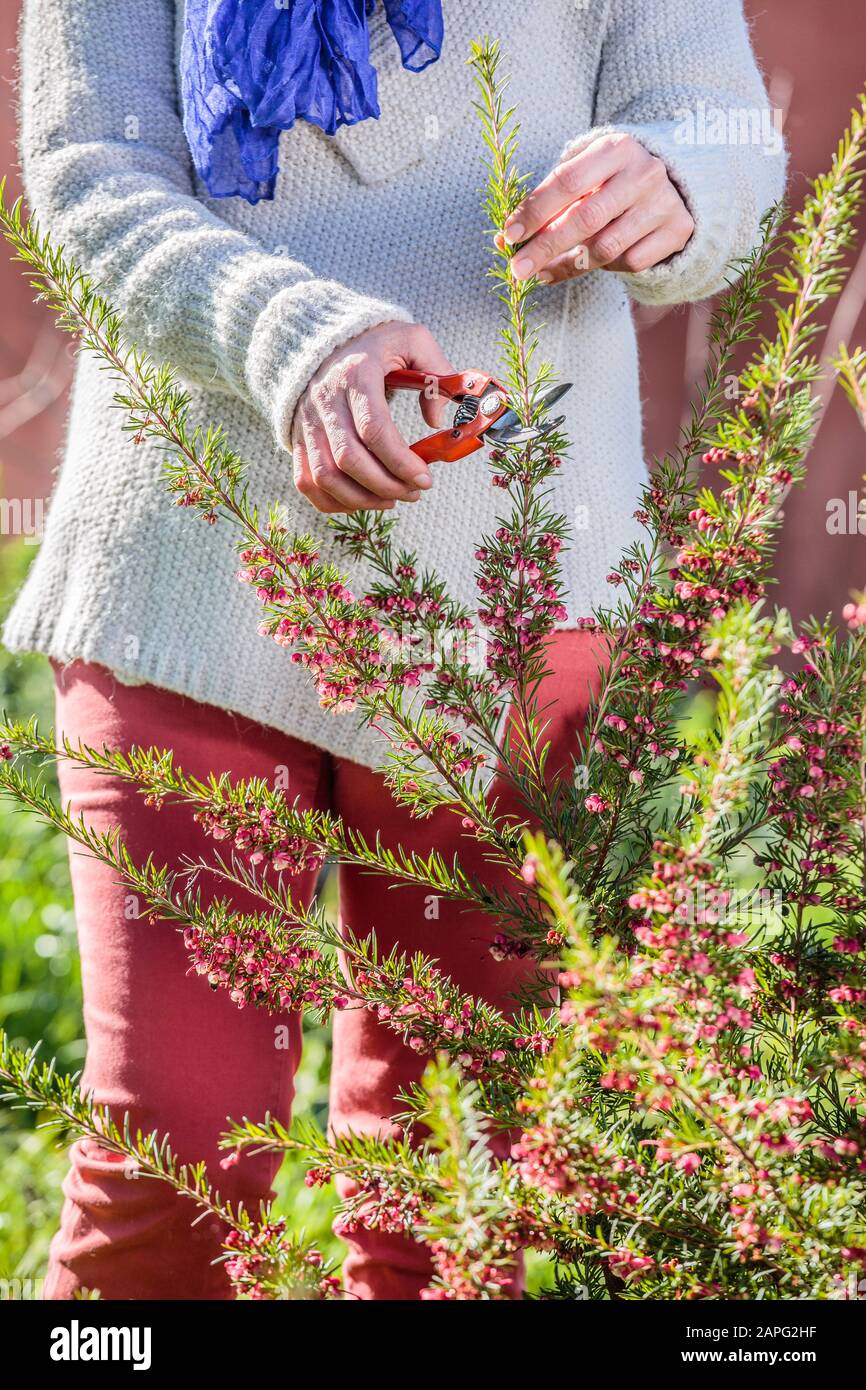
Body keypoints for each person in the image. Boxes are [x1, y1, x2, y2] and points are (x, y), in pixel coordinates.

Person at [6, 0, 785, 1300]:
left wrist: (674, 183)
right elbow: (93, 178)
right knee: (173, 1144)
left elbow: (717, 134)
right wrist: (298, 340)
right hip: (193, 574)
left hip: (515, 589)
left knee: (456, 1184)